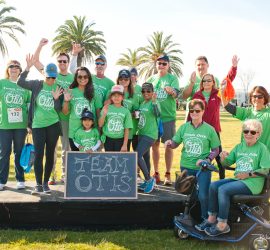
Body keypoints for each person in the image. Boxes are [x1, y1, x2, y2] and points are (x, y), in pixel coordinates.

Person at [196, 119, 270, 236]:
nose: (248, 134)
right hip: (239, 180)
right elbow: (226, 164)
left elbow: (265, 169)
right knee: (214, 186)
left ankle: (222, 225)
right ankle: (211, 219)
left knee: (223, 189)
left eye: (253, 132)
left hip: (253, 183)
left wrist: (248, 174)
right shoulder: (239, 147)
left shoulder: (262, 148)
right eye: (246, 131)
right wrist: (222, 158)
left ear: (259, 134)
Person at [33, 38, 83, 184]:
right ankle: (51, 176)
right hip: (52, 118)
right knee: (52, 148)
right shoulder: (51, 74)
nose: (62, 63)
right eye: (59, 61)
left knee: (66, 147)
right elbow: (36, 62)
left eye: (64, 61)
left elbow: (81, 74)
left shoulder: (74, 77)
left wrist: (74, 54)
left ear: (67, 63)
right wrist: (40, 45)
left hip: (67, 117)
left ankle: (65, 174)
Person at [165, 99, 220, 219]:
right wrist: (169, 143)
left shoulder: (210, 129)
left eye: (197, 110)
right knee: (190, 195)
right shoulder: (184, 128)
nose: (194, 113)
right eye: (192, 111)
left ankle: (206, 219)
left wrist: (208, 160)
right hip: (186, 167)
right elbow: (174, 144)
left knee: (203, 196)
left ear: (203, 111)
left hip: (203, 168)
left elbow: (216, 150)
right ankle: (190, 218)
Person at [17, 54, 62, 195]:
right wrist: (28, 67)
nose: (50, 80)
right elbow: (20, 82)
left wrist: (56, 99)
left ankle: (45, 183)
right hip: (37, 126)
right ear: (44, 75)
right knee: (38, 154)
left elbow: (59, 109)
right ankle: (38, 185)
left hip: (53, 125)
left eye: (53, 77)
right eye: (48, 77)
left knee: (50, 155)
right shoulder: (36, 84)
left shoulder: (58, 88)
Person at [187, 73, 236, 179]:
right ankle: (195, 180)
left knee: (218, 157)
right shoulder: (197, 95)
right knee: (198, 155)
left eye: (209, 80)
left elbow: (228, 80)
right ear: (201, 83)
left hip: (214, 130)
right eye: (204, 81)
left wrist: (234, 67)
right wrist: (188, 126)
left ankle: (221, 179)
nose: (206, 82)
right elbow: (191, 112)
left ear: (213, 82)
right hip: (200, 130)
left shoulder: (218, 93)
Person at [147, 54, 180, 185]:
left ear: (168, 65)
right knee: (154, 146)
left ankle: (167, 174)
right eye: (159, 63)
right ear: (156, 65)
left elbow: (177, 94)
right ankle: (155, 173)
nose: (161, 66)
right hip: (154, 118)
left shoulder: (172, 78)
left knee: (168, 146)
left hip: (168, 118)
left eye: (164, 63)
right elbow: (145, 95)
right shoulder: (151, 79)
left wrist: (171, 91)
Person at [0, 60, 31, 191]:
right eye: (11, 66)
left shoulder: (25, 86)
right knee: (4, 153)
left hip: (21, 126)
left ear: (20, 71)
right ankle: (2, 181)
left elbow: (29, 107)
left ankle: (20, 179)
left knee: (19, 152)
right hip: (4, 126)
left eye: (17, 67)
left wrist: (29, 124)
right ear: (8, 69)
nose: (14, 68)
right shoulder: (2, 83)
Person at [220, 84, 270, 153]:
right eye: (254, 96)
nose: (257, 99)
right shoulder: (246, 112)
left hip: (264, 154)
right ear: (251, 98)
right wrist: (222, 93)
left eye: (260, 97)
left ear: (265, 98)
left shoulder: (268, 113)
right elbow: (228, 107)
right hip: (246, 152)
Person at [62, 67, 102, 151]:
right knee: (77, 160)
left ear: (89, 78)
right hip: (74, 133)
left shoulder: (94, 92)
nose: (82, 79)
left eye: (85, 77)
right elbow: (65, 112)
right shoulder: (70, 92)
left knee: (92, 161)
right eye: (80, 77)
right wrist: (66, 101)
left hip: (91, 134)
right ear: (76, 78)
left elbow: (98, 113)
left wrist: (99, 130)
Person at [136, 83, 160, 193]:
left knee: (137, 155)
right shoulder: (143, 103)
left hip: (150, 134)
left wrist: (154, 101)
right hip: (141, 133)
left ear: (152, 92)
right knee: (145, 157)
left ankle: (149, 179)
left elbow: (157, 114)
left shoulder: (154, 102)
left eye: (148, 91)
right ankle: (148, 181)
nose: (146, 93)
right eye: (143, 91)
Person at [98, 85, 133, 152]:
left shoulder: (126, 111)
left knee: (118, 160)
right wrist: (104, 114)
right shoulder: (106, 108)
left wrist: (125, 145)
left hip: (120, 140)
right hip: (108, 139)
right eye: (114, 95)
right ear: (111, 97)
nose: (116, 97)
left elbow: (126, 129)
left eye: (119, 95)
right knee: (109, 159)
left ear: (122, 97)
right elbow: (100, 124)